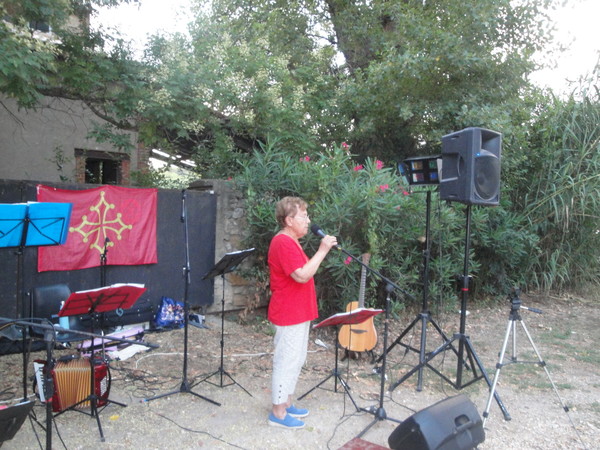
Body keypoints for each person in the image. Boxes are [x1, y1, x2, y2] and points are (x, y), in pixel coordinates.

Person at [267, 196, 338, 429]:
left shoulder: (292, 240)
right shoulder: (283, 242)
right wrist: (323, 250)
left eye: (307, 216)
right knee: (286, 360)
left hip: (299, 310)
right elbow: (301, 275)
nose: (308, 221)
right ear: (289, 220)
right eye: (303, 216)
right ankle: (277, 413)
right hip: (288, 311)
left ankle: (286, 403)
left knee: (296, 358)